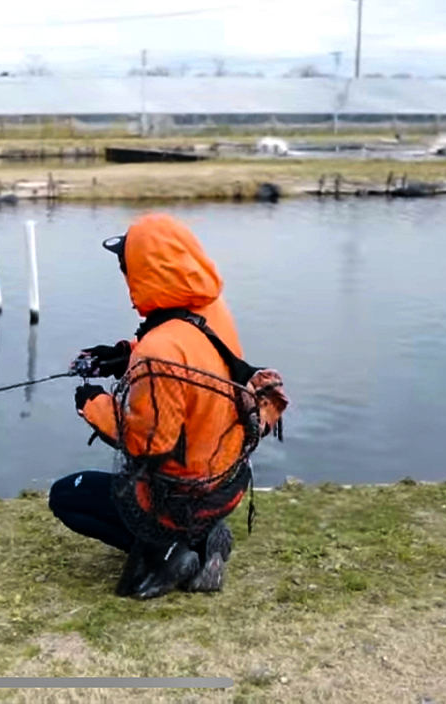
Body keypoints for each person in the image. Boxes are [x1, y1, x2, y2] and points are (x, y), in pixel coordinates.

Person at [49, 212, 288, 600]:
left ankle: (171, 550)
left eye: (127, 266)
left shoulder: (159, 352)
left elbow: (148, 444)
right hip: (226, 485)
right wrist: (124, 354)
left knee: (66, 496)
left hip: (179, 499)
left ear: (143, 270)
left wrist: (93, 405)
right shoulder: (212, 309)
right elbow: (191, 360)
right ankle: (206, 537)